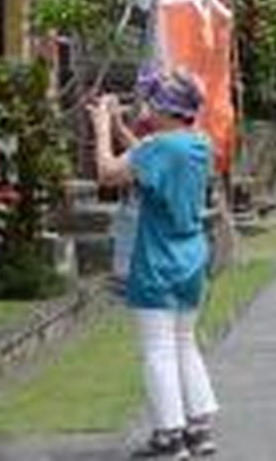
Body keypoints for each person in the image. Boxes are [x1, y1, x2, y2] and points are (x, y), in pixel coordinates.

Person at [88, 68, 219, 459]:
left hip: (158, 258)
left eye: (151, 101)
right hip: (192, 255)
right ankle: (198, 429)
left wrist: (99, 127)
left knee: (157, 349)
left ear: (165, 108)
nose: (145, 108)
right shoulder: (198, 143)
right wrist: (118, 124)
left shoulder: (158, 148)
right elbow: (147, 160)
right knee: (184, 342)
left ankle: (169, 435)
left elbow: (109, 172)